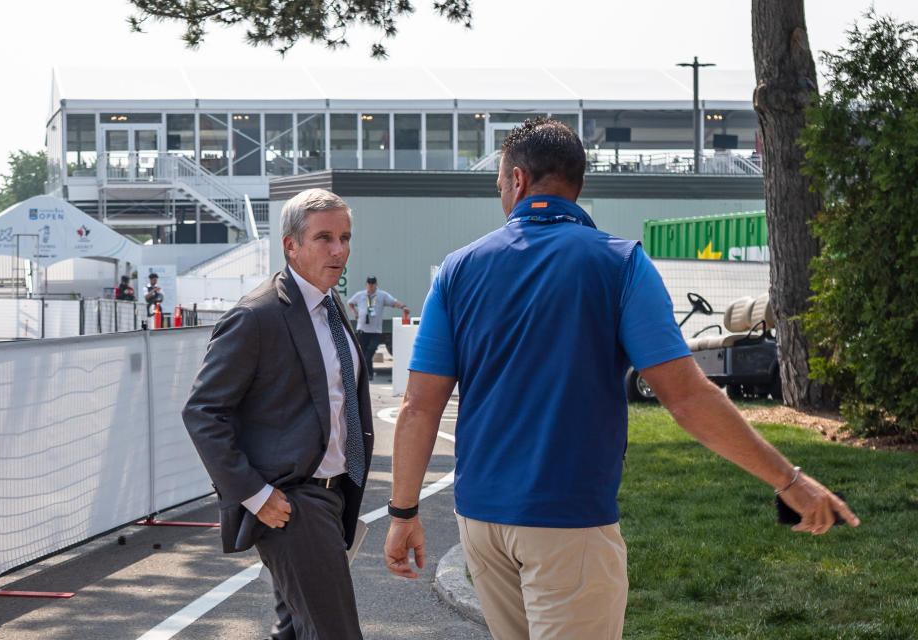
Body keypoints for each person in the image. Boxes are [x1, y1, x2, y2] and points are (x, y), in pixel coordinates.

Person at [383, 118, 859, 640]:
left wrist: (403, 511)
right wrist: (788, 480)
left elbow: (418, 407)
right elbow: (686, 396)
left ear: (517, 181)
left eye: (499, 182)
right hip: (569, 522)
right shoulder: (621, 263)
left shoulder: (457, 269)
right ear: (579, 185)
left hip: (480, 521)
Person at [183, 188, 374, 640]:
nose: (339, 249)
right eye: (324, 237)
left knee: (294, 630)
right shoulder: (256, 316)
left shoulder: (332, 306)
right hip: (292, 504)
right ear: (291, 245)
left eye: (345, 237)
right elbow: (203, 412)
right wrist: (254, 494)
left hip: (334, 497)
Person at [347, 276, 407, 380]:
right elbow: (350, 303)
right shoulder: (360, 295)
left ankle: (367, 374)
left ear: (376, 284)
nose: (371, 285)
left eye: (373, 283)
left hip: (375, 331)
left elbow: (393, 301)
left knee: (369, 352)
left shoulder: (381, 295)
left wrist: (403, 307)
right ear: (366, 284)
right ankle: (368, 375)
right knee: (362, 353)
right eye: (369, 283)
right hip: (362, 330)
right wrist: (354, 313)